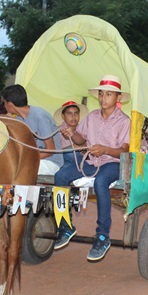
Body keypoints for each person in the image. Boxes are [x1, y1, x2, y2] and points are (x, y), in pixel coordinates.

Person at [53, 74, 131, 261]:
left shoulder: (124, 121)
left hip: (112, 164)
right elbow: (82, 140)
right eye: (101, 94)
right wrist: (72, 134)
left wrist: (104, 149)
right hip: (89, 162)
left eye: (109, 95)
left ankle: (103, 235)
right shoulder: (92, 117)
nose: (104, 98)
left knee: (101, 182)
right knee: (59, 177)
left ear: (118, 98)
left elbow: (124, 151)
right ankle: (65, 225)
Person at [1, 84, 63, 175]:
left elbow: (51, 150)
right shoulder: (19, 120)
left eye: (4, 103)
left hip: (51, 162)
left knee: (19, 170)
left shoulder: (39, 116)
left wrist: (27, 160)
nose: (4, 106)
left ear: (10, 104)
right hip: (33, 160)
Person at [54, 100, 89, 168]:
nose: (73, 117)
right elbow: (52, 152)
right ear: (63, 116)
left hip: (83, 162)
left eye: (76, 113)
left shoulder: (85, 130)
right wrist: (70, 148)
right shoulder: (56, 131)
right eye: (69, 114)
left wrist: (84, 146)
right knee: (70, 154)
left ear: (79, 115)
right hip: (63, 162)